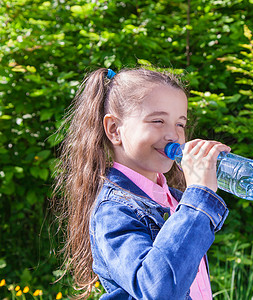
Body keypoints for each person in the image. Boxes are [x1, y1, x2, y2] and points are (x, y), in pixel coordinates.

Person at [53, 67, 231, 300]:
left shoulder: (175, 200)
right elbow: (158, 290)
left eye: (180, 124)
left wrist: (196, 199)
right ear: (115, 130)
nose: (173, 135)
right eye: (158, 120)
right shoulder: (114, 210)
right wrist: (199, 198)